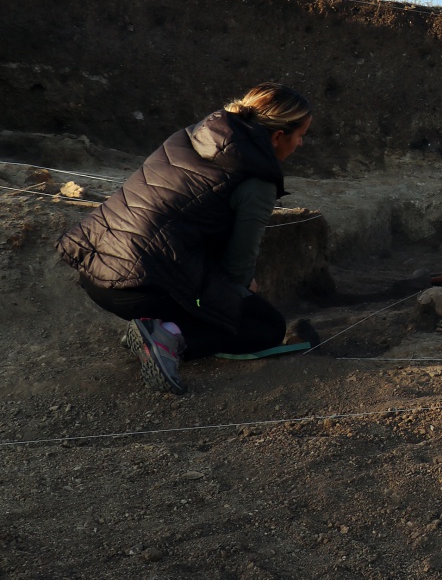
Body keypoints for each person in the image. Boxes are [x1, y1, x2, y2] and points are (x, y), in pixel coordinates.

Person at [57, 83, 315, 394]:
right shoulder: (257, 180)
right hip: (140, 284)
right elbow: (238, 265)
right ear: (277, 137)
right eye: (300, 135)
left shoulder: (192, 135)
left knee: (213, 293)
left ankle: (152, 328)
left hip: (94, 269)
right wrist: (244, 287)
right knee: (265, 326)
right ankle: (168, 337)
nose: (300, 144)